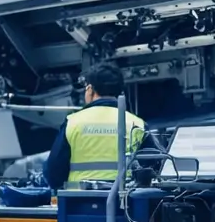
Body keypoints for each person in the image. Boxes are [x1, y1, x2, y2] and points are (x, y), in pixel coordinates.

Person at [44, 62, 147, 191]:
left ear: (90, 89)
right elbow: (154, 167)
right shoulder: (137, 124)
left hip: (78, 203)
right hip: (125, 205)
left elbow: (54, 172)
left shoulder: (73, 122)